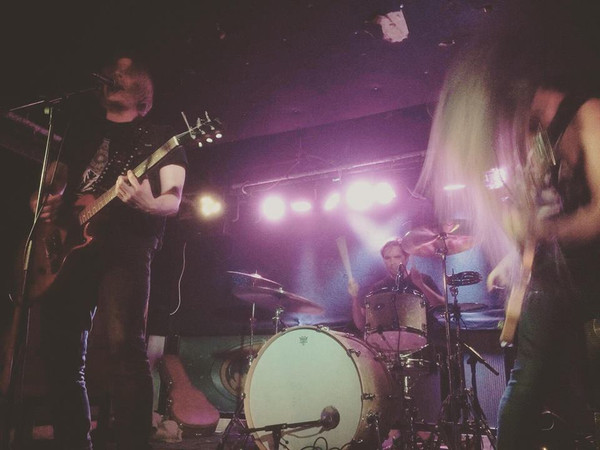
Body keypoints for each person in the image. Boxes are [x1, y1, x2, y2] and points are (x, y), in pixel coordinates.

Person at [414, 2, 600, 448]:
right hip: (554, 278)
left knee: (565, 380)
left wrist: (546, 233)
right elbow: (537, 218)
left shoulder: (587, 113)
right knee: (531, 380)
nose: (507, 134)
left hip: (590, 276)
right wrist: (517, 256)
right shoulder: (536, 143)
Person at [31, 54, 187, 450]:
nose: (115, 73)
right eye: (112, 70)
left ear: (143, 94)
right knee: (61, 352)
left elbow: (172, 200)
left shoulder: (161, 137)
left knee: (124, 349)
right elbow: (56, 181)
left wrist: (147, 202)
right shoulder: (82, 132)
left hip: (126, 246)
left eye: (126, 70)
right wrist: (43, 200)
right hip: (69, 247)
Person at [347, 238, 444, 449]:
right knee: (391, 406)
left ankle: (424, 438)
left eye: (397, 257)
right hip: (388, 355)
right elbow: (361, 324)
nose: (392, 262)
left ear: (406, 258)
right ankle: (394, 436)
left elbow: (441, 305)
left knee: (424, 412)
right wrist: (354, 298)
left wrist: (420, 285)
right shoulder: (378, 288)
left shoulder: (422, 279)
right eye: (387, 258)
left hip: (422, 351)